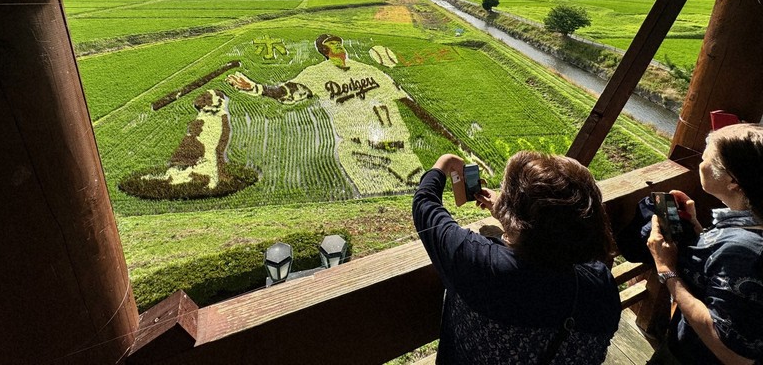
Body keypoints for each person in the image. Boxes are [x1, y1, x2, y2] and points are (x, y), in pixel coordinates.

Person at [413, 152, 620, 364]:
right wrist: (510, 212)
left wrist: (445, 162)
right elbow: (550, 240)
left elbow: (424, 204)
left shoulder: (480, 263)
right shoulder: (601, 286)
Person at [227, 34, 424, 194]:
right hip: (361, 152)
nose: (337, 46)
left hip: (401, 150)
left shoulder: (368, 70)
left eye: (339, 43)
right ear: (324, 50)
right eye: (331, 44)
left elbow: (408, 102)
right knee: (380, 205)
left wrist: (449, 136)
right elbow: (286, 93)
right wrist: (256, 88)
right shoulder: (315, 74)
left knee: (425, 200)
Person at [647, 123, 763, 364]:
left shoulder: (744, 251)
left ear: (733, 181)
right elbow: (723, 274)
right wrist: (698, 227)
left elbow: (733, 354)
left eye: (706, 157)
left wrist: (666, 270)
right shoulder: (750, 224)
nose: (700, 163)